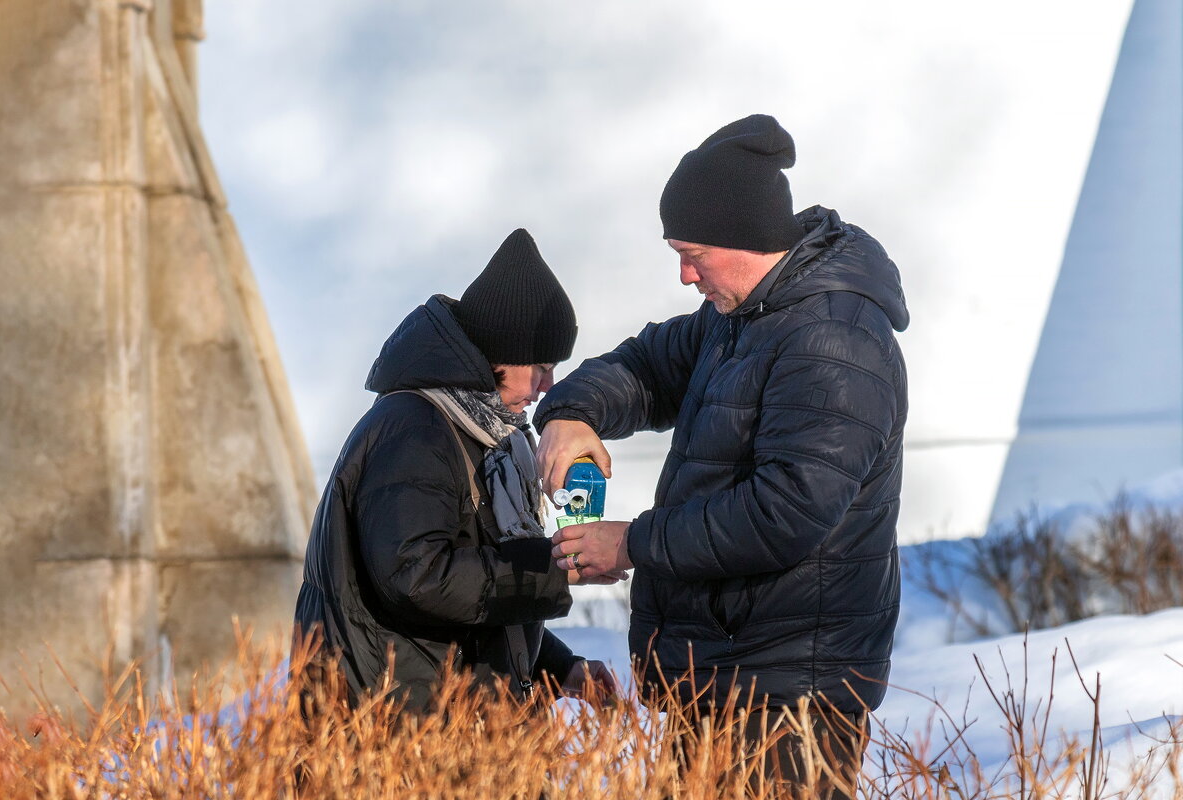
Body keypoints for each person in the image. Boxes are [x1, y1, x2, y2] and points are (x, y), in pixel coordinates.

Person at [535, 115, 908, 795]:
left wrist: (634, 544)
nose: (684, 275)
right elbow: (646, 367)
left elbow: (786, 511)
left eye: (694, 252)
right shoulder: (739, 320)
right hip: (722, 680)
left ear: (748, 239)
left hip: (787, 699)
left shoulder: (834, 341)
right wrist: (569, 414)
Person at [293, 228, 620, 715]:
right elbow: (417, 578)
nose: (548, 386)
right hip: (396, 733)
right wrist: (556, 566)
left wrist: (558, 667)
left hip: (444, 721)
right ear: (502, 352)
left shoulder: (483, 435)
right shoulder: (415, 429)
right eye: (542, 366)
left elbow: (476, 601)